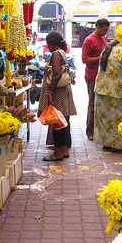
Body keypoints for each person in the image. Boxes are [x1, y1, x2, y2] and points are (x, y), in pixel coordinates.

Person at [38, 31, 76, 161]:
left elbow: (56, 73)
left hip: (57, 92)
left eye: (48, 44)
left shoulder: (55, 54)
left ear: (52, 44)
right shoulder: (63, 53)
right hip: (64, 91)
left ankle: (58, 152)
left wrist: (50, 92)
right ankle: (64, 150)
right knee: (63, 121)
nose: (48, 46)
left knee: (57, 123)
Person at [81, 18, 110, 141]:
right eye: (104, 30)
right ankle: (90, 131)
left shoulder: (103, 39)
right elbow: (84, 60)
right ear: (98, 27)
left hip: (102, 75)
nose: (105, 32)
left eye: (107, 30)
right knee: (92, 104)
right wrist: (101, 57)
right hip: (92, 75)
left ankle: (100, 130)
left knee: (102, 103)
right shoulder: (89, 40)